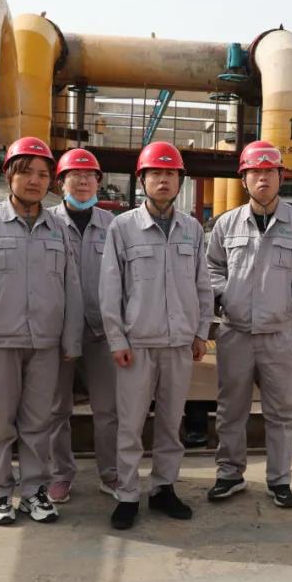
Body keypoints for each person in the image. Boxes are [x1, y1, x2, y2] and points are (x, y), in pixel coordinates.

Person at [0, 136, 84, 526]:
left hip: (45, 343)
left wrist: (71, 340)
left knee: (38, 422)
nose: (34, 181)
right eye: (26, 172)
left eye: (42, 174)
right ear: (9, 175)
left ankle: (33, 491)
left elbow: (71, 287)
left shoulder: (58, 229)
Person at [206, 140, 292, 508]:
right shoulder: (227, 224)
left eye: (269, 171)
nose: (262, 178)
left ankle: (279, 480)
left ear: (280, 177)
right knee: (230, 409)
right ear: (243, 178)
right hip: (235, 333)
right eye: (255, 172)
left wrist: (291, 302)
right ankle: (229, 474)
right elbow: (211, 268)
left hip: (279, 335)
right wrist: (226, 297)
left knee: (282, 412)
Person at [100, 142, 212, 530]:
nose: (163, 180)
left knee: (170, 423)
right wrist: (117, 339)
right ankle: (128, 494)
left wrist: (200, 332)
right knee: (130, 425)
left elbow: (202, 285)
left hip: (179, 344)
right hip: (137, 344)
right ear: (142, 180)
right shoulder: (122, 228)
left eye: (170, 174)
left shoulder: (192, 229)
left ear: (180, 181)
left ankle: (164, 488)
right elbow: (110, 288)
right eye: (156, 174)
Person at [47, 148, 118, 503]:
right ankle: (60, 474)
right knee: (56, 409)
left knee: (109, 409)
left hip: (102, 331)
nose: (84, 181)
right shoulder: (46, 222)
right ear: (60, 182)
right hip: (57, 333)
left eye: (90, 175)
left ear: (99, 182)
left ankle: (111, 473)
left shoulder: (114, 225)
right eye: (75, 175)